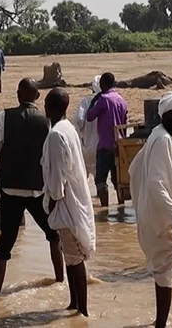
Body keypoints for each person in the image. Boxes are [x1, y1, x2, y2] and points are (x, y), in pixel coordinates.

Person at [0, 78, 63, 295]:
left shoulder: (5, 118)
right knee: (54, 235)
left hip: (10, 192)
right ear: (37, 97)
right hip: (38, 191)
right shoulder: (47, 122)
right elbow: (52, 158)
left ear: (18, 95)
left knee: (4, 246)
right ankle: (60, 282)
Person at [129, 92, 172, 328]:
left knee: (163, 272)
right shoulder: (163, 140)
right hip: (162, 220)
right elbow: (157, 184)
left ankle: (160, 321)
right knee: (165, 274)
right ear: (165, 115)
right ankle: (161, 325)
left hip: (157, 215)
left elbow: (135, 169)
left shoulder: (162, 137)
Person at [42, 88, 96, 317]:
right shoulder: (68, 129)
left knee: (74, 260)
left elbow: (58, 177)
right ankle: (73, 303)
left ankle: (81, 310)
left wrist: (52, 202)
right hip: (72, 201)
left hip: (66, 204)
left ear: (52, 107)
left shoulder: (56, 135)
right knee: (71, 257)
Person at [86, 72, 128, 207]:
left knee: (101, 181)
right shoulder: (121, 100)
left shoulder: (103, 99)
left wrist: (94, 100)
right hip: (119, 145)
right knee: (118, 181)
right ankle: (121, 208)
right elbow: (125, 123)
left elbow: (90, 116)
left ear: (102, 84)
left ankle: (104, 211)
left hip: (104, 146)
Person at [73, 75, 101, 179]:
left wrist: (81, 134)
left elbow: (78, 120)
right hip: (102, 148)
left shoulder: (85, 102)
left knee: (82, 179)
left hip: (86, 147)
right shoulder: (107, 101)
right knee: (100, 178)